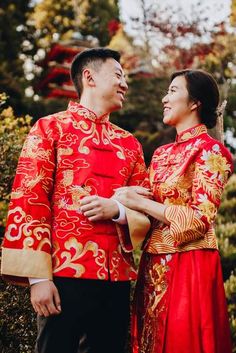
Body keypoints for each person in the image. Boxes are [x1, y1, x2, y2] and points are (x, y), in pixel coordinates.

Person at [1, 48, 150, 353]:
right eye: (118, 75)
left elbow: (145, 205)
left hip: (115, 280)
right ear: (89, 76)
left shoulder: (130, 144)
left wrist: (119, 210)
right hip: (62, 276)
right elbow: (30, 201)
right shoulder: (49, 128)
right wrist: (38, 279)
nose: (124, 84)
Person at [114, 69, 233, 353]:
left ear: (195, 103)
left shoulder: (212, 151)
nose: (165, 98)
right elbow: (139, 204)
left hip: (190, 264)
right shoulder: (161, 154)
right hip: (152, 264)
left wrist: (140, 202)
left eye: (173, 91)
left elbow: (200, 219)